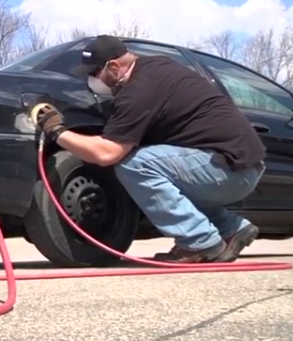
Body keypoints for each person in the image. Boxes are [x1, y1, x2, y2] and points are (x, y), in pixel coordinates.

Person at [36, 35, 267, 263]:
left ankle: (199, 241)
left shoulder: (139, 90)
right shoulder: (157, 67)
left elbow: (107, 153)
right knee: (160, 167)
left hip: (228, 170)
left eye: (94, 73)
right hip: (236, 165)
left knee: (135, 165)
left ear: (114, 67)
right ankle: (229, 229)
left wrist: (57, 131)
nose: (91, 80)